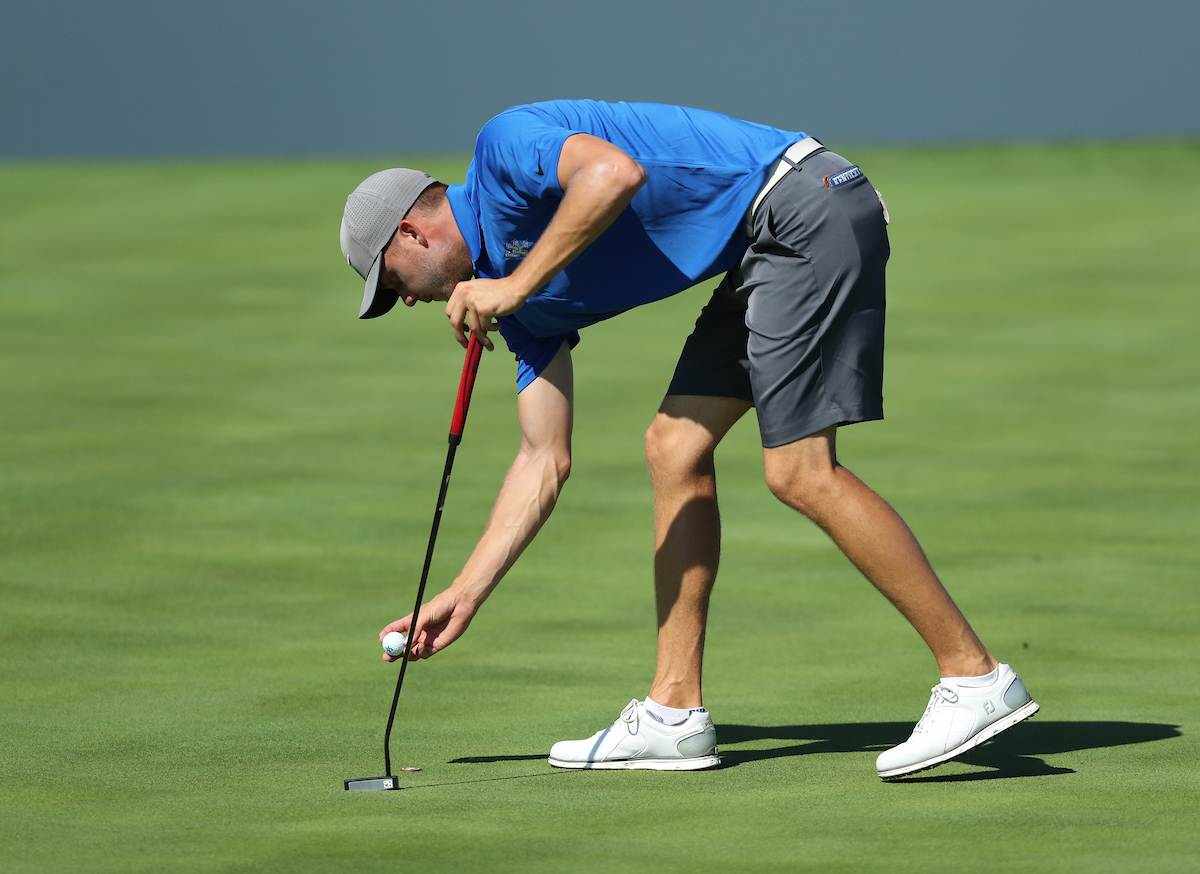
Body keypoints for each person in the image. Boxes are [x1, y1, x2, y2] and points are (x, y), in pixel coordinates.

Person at [339, 100, 1037, 779]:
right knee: (672, 447)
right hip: (764, 246)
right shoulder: (513, 301)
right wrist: (466, 591)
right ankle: (674, 713)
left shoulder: (503, 149)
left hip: (802, 205)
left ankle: (974, 676)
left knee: (799, 471)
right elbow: (542, 457)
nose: (404, 300)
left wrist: (516, 285)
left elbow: (613, 175)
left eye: (392, 283)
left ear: (412, 234)